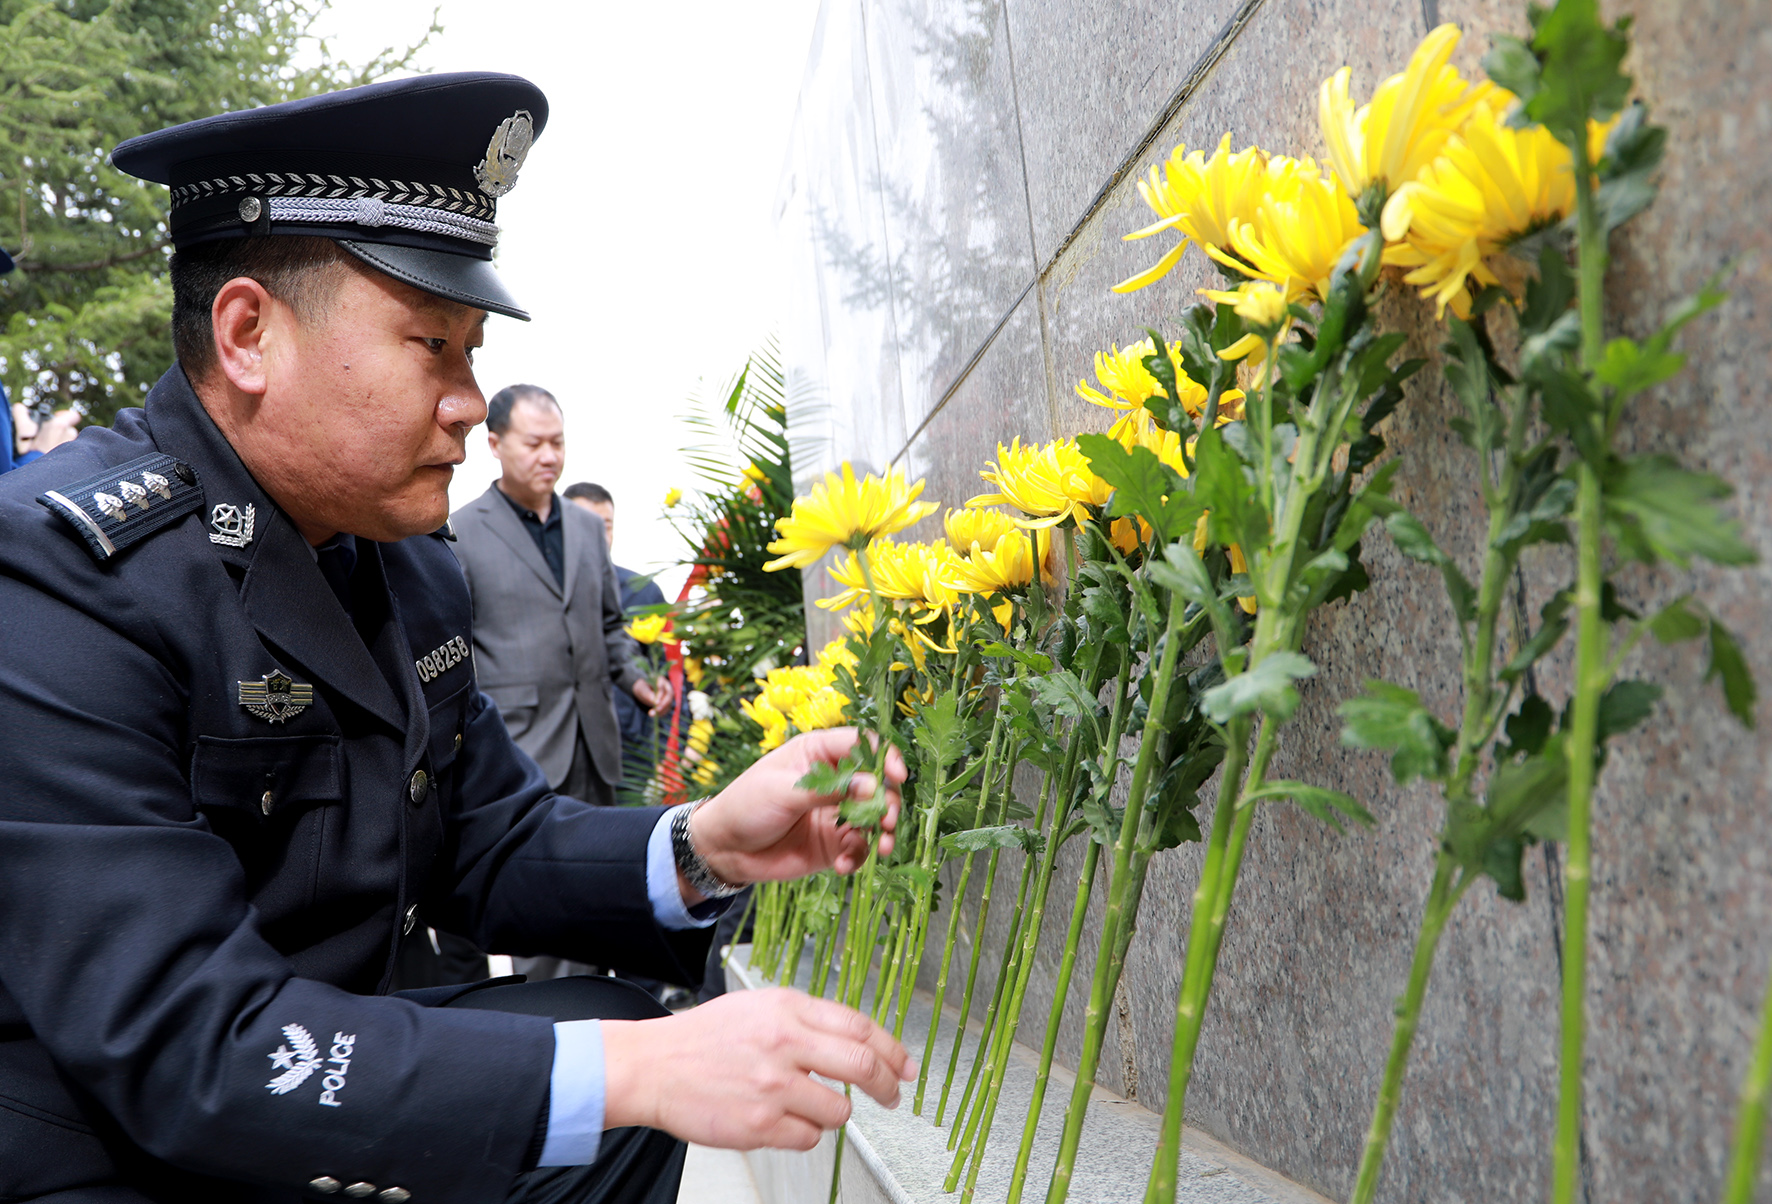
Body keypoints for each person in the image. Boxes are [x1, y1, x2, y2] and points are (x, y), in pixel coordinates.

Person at [0, 72, 910, 1204]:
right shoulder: (61, 574)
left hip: (319, 1082)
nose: (472, 401)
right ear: (248, 336)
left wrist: (706, 845)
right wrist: (629, 1069)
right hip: (124, 1147)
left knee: (613, 1058)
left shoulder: (403, 564)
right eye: (432, 343)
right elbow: (181, 1038)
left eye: (472, 351)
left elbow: (487, 838)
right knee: (617, 1070)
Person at [451, 391, 670, 811]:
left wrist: (636, 677)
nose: (549, 456)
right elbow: (458, 650)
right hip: (517, 744)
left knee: (601, 848)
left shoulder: (588, 527)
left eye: (558, 442)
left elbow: (610, 625)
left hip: (597, 745)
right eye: (534, 444)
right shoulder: (462, 532)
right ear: (495, 444)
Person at [563, 481, 671, 798]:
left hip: (631, 756)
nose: (597, 535)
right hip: (560, 753)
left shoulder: (643, 592)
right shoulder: (538, 590)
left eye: (606, 526)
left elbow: (665, 677)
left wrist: (660, 755)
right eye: (586, 524)